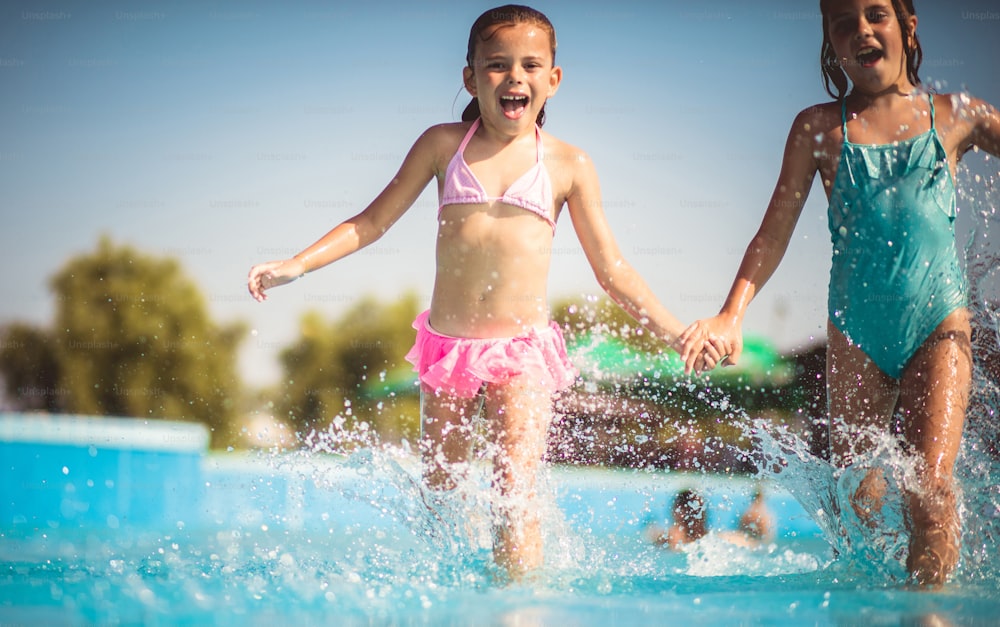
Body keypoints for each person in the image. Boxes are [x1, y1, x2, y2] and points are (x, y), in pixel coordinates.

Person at [248, 5, 723, 580]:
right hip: (447, 349)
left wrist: (675, 332)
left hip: (522, 352)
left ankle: (519, 605)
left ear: (553, 79)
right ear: (470, 77)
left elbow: (612, 269)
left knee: (513, 491)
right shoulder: (443, 145)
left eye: (529, 65)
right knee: (441, 497)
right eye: (497, 65)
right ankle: (461, 598)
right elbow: (371, 222)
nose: (514, 77)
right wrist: (298, 263)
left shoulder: (569, 164)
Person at [679, 0, 1000, 586]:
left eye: (875, 14)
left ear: (908, 25)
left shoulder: (955, 115)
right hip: (855, 333)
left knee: (930, 490)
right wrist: (731, 313)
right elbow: (773, 231)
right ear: (830, 40)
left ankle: (928, 610)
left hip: (938, 323)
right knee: (857, 507)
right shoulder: (820, 128)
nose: (861, 30)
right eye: (842, 22)